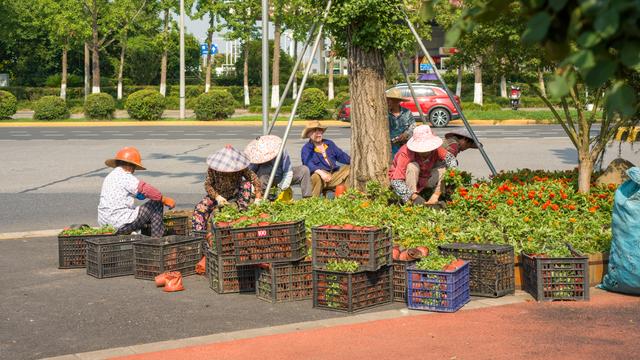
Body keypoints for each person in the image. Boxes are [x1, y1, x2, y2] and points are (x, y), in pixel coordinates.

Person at [98, 146, 175, 237]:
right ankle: (157, 240)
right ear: (129, 165)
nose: (134, 170)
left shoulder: (110, 176)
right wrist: (163, 199)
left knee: (139, 209)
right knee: (156, 203)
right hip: (119, 224)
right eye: (134, 167)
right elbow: (146, 189)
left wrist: (139, 194)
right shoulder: (125, 176)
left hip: (105, 224)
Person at [192, 145, 263, 232]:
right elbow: (208, 185)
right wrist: (217, 197)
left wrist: (258, 197)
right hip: (218, 193)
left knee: (246, 184)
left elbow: (254, 179)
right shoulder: (213, 168)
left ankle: (242, 211)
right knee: (200, 209)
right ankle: (200, 234)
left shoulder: (240, 166)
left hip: (236, 193)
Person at [388, 125, 446, 205]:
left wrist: (437, 194)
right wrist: (414, 196)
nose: (425, 152)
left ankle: (434, 199)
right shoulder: (405, 153)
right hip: (407, 182)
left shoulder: (436, 149)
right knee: (412, 166)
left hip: (426, 178)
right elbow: (396, 182)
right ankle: (410, 201)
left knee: (444, 170)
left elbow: (451, 161)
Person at [245, 135, 312, 199]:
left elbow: (287, 171)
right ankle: (264, 197)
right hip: (265, 180)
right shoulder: (257, 154)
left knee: (304, 170)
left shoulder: (281, 150)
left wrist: (281, 187)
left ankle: (307, 198)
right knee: (264, 170)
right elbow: (251, 173)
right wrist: (254, 187)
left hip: (281, 175)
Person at [301, 120, 351, 197]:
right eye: (314, 131)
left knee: (351, 168)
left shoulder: (329, 143)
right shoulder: (306, 148)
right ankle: (313, 202)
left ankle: (348, 197)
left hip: (333, 175)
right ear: (308, 134)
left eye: (320, 131)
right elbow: (308, 164)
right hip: (320, 178)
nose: (318, 133)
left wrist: (354, 161)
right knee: (315, 176)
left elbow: (342, 156)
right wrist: (321, 173)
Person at [387, 88, 416, 157]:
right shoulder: (385, 114)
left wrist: (406, 134)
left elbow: (413, 126)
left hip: (404, 146)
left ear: (397, 101)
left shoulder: (407, 112)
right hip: (389, 147)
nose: (388, 102)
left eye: (390, 100)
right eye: (388, 100)